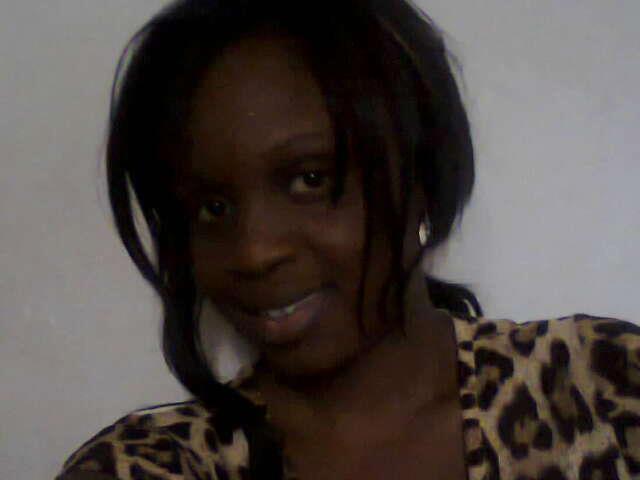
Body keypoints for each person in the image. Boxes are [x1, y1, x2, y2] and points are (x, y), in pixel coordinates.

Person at [57, 1, 640, 479]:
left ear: (423, 179)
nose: (254, 252)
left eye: (310, 180)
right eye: (212, 209)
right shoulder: (149, 467)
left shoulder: (605, 389)